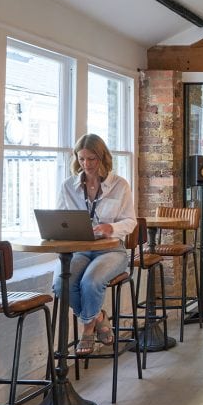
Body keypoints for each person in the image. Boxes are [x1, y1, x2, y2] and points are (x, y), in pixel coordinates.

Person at [54, 133, 137, 355]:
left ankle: (87, 327)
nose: (86, 164)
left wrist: (112, 228)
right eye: (81, 159)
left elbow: (130, 221)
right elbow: (61, 218)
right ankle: (98, 317)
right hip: (81, 250)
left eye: (92, 159)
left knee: (90, 282)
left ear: (102, 157)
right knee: (62, 284)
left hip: (111, 250)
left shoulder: (120, 185)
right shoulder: (68, 186)